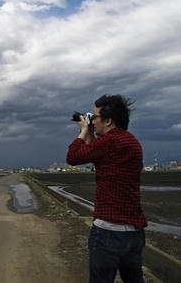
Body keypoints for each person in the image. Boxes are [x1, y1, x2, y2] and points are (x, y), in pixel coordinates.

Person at [66, 94, 147, 283]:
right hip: (134, 232)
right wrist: (92, 134)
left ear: (108, 121)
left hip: (108, 231)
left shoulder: (109, 142)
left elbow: (73, 157)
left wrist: (84, 131)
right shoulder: (132, 142)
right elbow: (99, 155)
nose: (93, 121)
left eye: (96, 118)